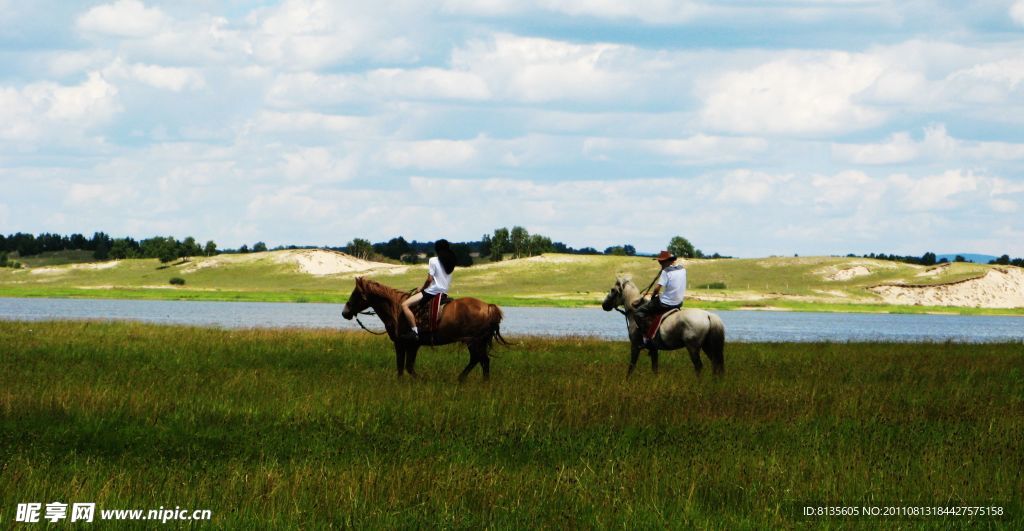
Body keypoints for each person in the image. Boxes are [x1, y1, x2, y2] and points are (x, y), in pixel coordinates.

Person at [401, 239, 457, 339]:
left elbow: (429, 279)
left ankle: (415, 331)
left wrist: (421, 288)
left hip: (432, 292)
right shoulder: (450, 262)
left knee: (404, 305)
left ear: (437, 249)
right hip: (443, 292)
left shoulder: (433, 260)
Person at [633, 250, 686, 345]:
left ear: (667, 261)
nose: (660, 263)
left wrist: (653, 296)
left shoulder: (666, 272)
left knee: (638, 312)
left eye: (661, 262)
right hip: (679, 302)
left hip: (666, 303)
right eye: (659, 262)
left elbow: (657, 289)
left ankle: (646, 336)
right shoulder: (682, 269)